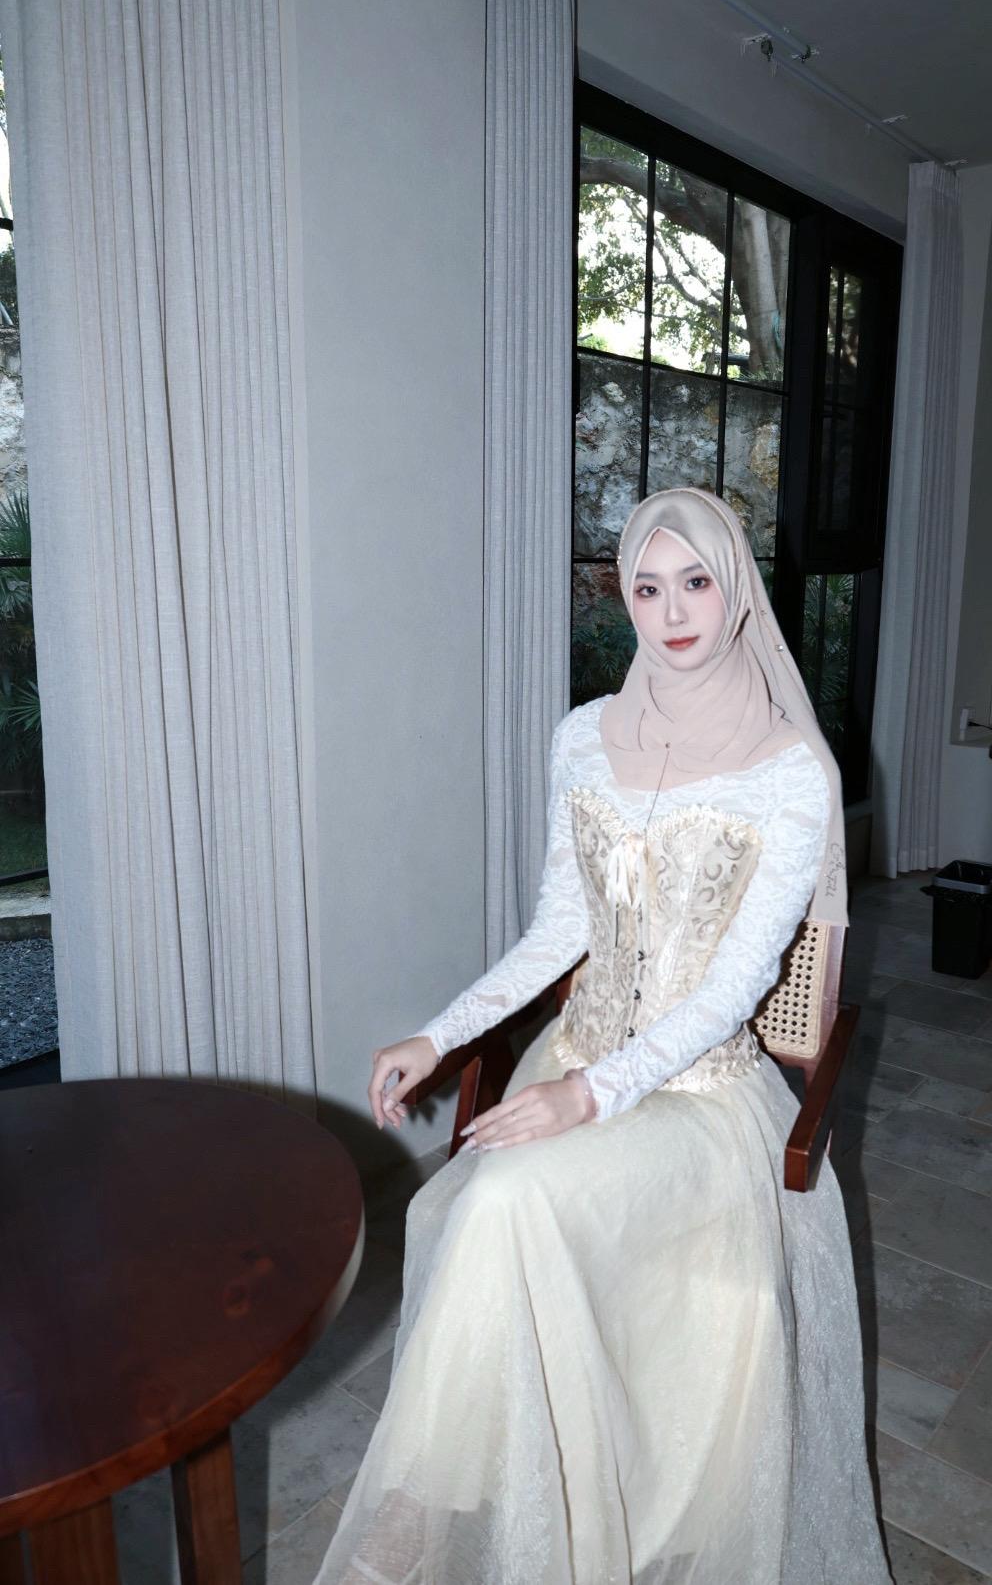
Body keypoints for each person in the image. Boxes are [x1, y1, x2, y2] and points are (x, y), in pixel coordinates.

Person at [314, 487, 891, 1585]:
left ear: (737, 591)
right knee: (489, 1205)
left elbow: (734, 988)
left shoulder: (791, 771)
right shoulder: (583, 737)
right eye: (646, 586)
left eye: (696, 582)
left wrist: (587, 1097)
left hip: (701, 1097)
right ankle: (468, 1502)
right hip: (575, 1054)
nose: (671, 612)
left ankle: (443, 1519)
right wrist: (437, 1036)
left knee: (505, 1198)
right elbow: (558, 931)